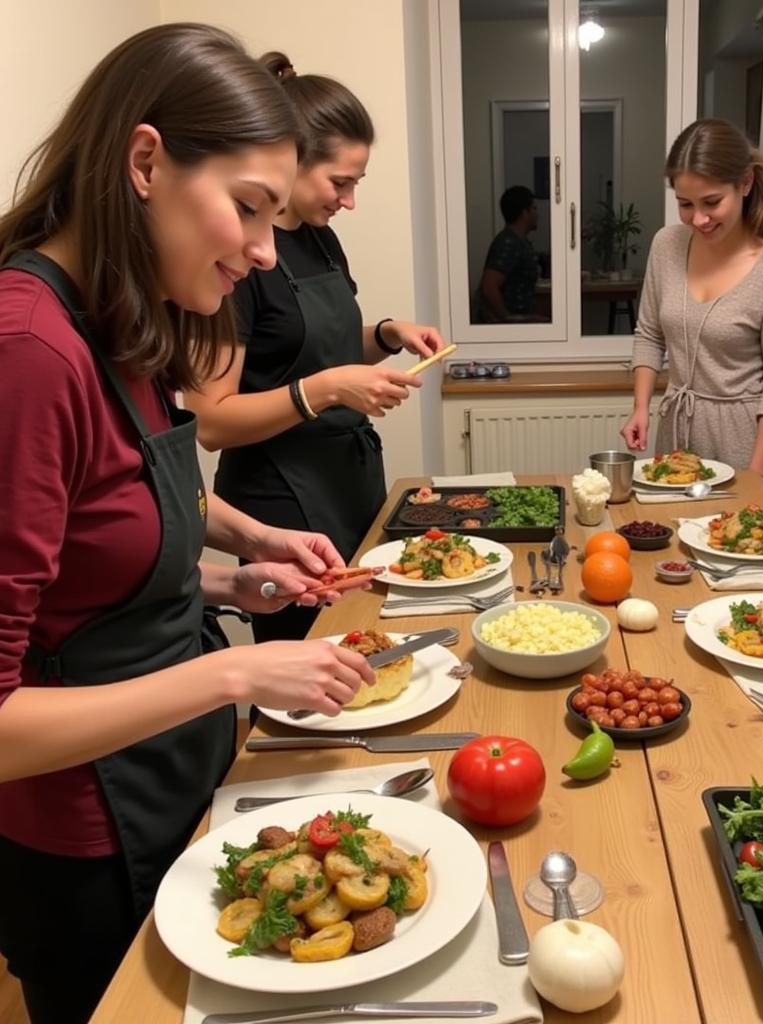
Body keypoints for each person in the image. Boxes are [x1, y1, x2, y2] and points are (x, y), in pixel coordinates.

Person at [0, 25, 376, 1024]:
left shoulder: (119, 313)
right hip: (92, 838)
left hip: (181, 771)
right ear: (144, 160)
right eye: (248, 210)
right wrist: (239, 670)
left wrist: (235, 566)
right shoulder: (28, 352)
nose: (262, 252)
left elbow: (107, 530)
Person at [184, 54, 446, 644]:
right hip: (279, 499)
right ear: (292, 160)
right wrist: (326, 391)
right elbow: (211, 419)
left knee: (371, 646)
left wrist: (382, 336)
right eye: (340, 182)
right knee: (314, 668)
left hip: (349, 480)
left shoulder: (322, 243)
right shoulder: (238, 257)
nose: (349, 200)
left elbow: (311, 348)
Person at [621, 119, 763, 477]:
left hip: (741, 441)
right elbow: (649, 334)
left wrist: (756, 475)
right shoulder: (666, 245)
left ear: (746, 183)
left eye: (712, 202)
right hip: (675, 432)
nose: (699, 218)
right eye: (685, 204)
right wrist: (640, 407)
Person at [474, 184, 541, 322]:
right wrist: (508, 319)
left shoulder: (521, 241)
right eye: (534, 208)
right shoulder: (509, 243)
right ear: (524, 212)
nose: (537, 214)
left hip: (522, 315)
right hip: (510, 324)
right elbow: (489, 286)